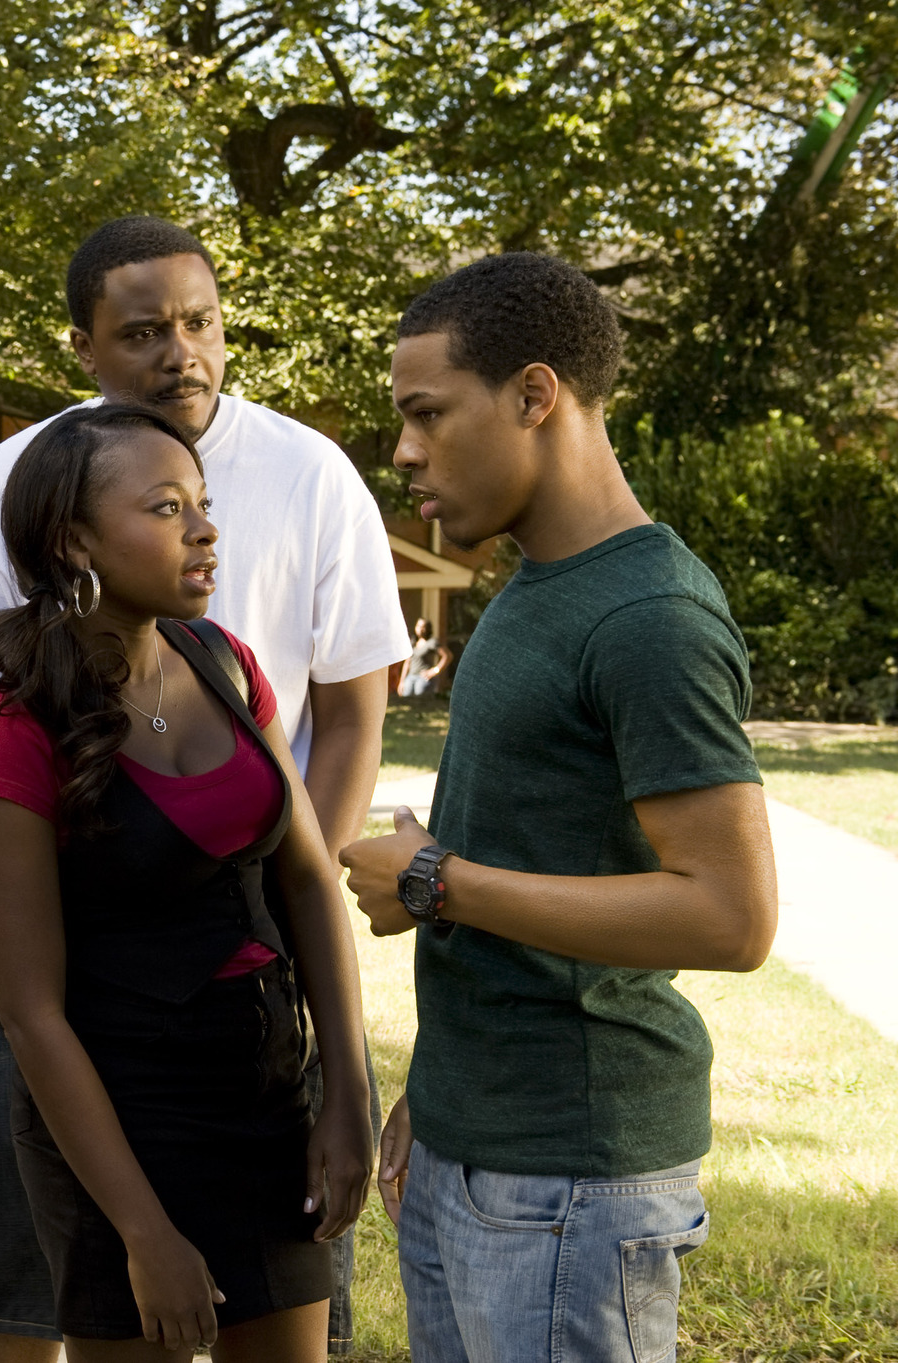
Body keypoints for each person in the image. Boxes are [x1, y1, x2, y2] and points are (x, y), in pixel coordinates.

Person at [0, 216, 408, 1360]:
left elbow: (299, 869)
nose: (205, 531)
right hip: (108, 1104)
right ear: (76, 543)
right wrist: (141, 1230)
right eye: (166, 511)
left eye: (202, 502)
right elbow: (34, 1010)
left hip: (256, 1075)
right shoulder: (9, 730)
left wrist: (339, 1086)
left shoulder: (224, 661)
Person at [340, 251, 778, 1362]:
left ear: (533, 397)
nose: (402, 450)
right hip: (472, 1143)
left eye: (425, 413)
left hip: (570, 1179)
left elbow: (728, 916)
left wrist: (435, 880)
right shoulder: (536, 588)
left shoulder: (648, 616)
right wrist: (432, 1102)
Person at [396, 619, 449, 698]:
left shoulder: (432, 642)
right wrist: (402, 681)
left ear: (428, 629)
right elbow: (407, 662)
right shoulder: (413, 643)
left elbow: (447, 656)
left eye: (423, 627)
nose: (420, 629)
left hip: (423, 678)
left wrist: (435, 671)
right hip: (411, 677)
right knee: (406, 699)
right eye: (418, 626)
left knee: (420, 702)